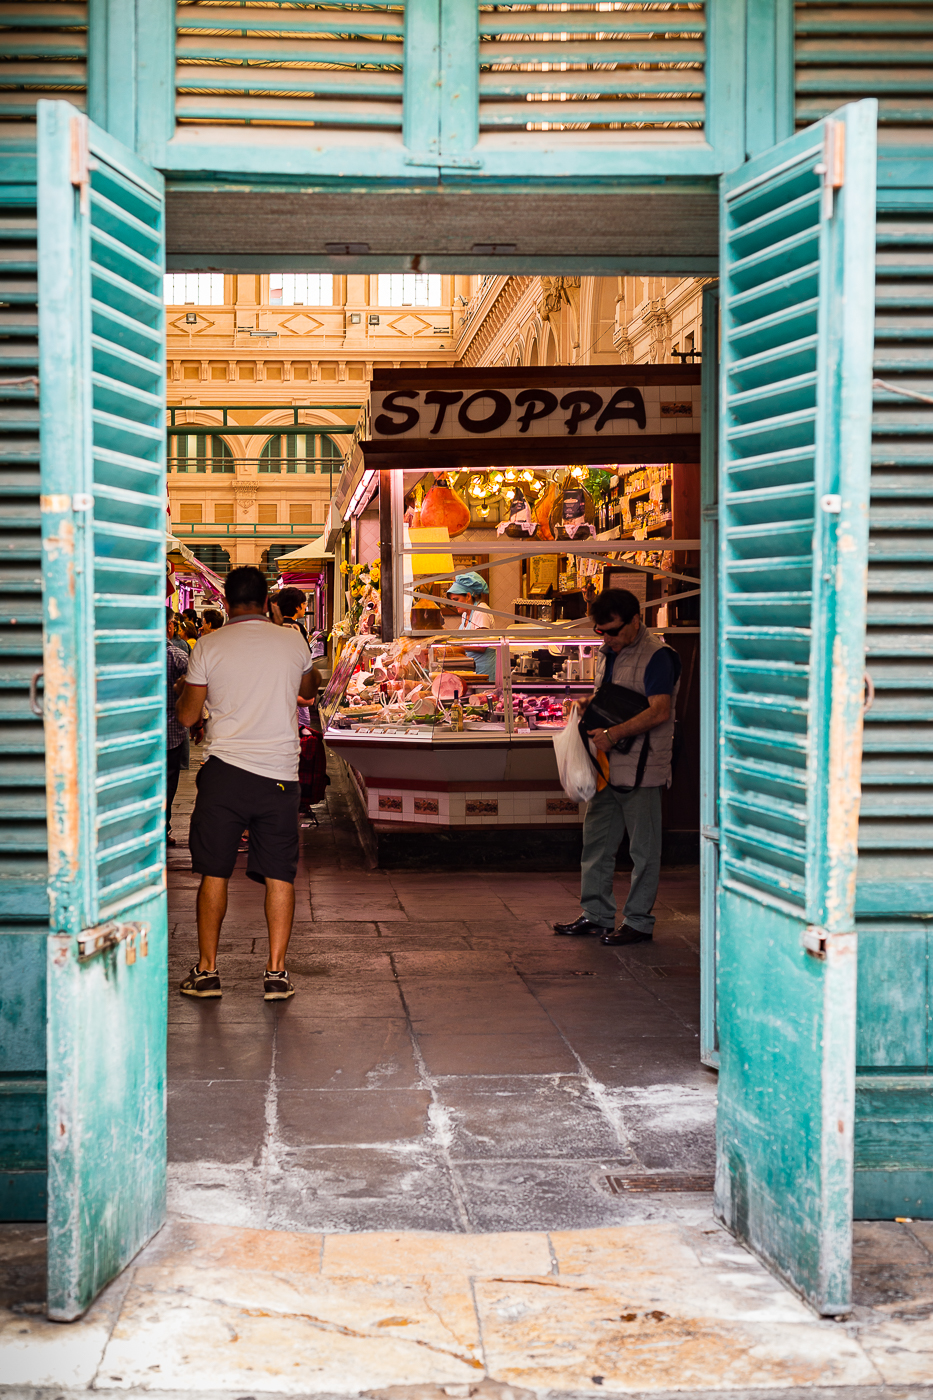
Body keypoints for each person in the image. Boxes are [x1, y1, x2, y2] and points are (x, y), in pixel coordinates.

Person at [174, 565, 321, 1001]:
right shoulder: (292, 641)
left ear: (225, 600)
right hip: (279, 775)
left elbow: (187, 717)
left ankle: (207, 972)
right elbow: (309, 691)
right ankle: (276, 974)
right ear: (267, 602)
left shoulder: (209, 645)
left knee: (214, 872)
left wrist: (187, 688)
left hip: (225, 774)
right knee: (280, 874)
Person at [553, 588, 681, 947]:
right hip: (607, 767)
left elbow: (660, 711)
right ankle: (596, 914)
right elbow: (614, 697)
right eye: (600, 631)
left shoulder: (658, 656)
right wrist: (585, 708)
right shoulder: (609, 653)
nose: (607, 638)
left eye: (612, 630)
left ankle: (639, 921)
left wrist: (612, 733)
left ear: (636, 621)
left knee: (643, 849)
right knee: (596, 842)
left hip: (642, 768)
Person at [165, 613, 190, 847]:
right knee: (169, 782)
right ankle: (163, 828)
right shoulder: (179, 656)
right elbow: (192, 693)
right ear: (170, 627)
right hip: (172, 732)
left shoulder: (131, 656)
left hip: (138, 734)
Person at [445, 571, 497, 683]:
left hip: (484, 672)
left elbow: (481, 646)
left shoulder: (481, 611)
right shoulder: (465, 614)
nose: (454, 604)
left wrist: (453, 643)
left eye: (456, 600)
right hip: (472, 670)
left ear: (468, 596)